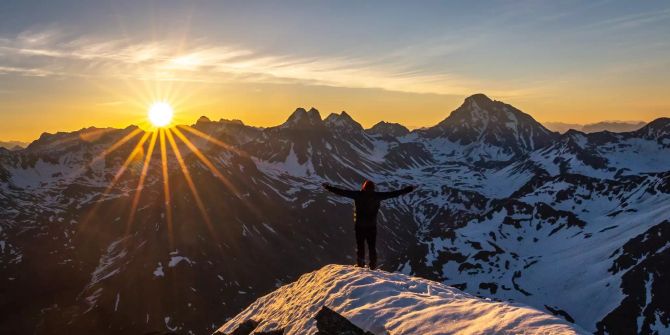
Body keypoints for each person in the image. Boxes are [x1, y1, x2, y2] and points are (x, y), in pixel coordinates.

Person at [322, 180, 415, 270]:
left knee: (360, 246)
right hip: (372, 226)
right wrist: (408, 189)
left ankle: (361, 264)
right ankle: (373, 265)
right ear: (373, 188)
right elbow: (393, 194)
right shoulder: (377, 196)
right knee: (372, 246)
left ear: (364, 187)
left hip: (359, 226)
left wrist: (328, 187)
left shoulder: (357, 195)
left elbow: (342, 192)